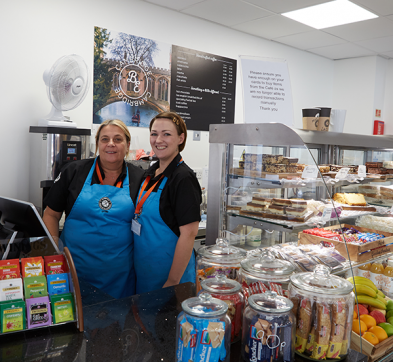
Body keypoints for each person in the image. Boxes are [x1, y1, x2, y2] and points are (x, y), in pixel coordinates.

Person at [43, 120, 144, 298]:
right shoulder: (74, 171)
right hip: (74, 269)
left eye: (118, 139)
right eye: (105, 139)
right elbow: (51, 214)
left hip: (119, 275)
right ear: (97, 144)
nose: (110, 144)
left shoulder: (139, 178)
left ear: (127, 145)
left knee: (116, 321)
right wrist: (54, 253)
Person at [132, 111, 202, 294]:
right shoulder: (150, 173)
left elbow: (189, 234)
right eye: (154, 134)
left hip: (171, 280)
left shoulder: (183, 178)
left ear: (181, 138)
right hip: (146, 274)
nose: (158, 140)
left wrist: (172, 282)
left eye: (166, 134)